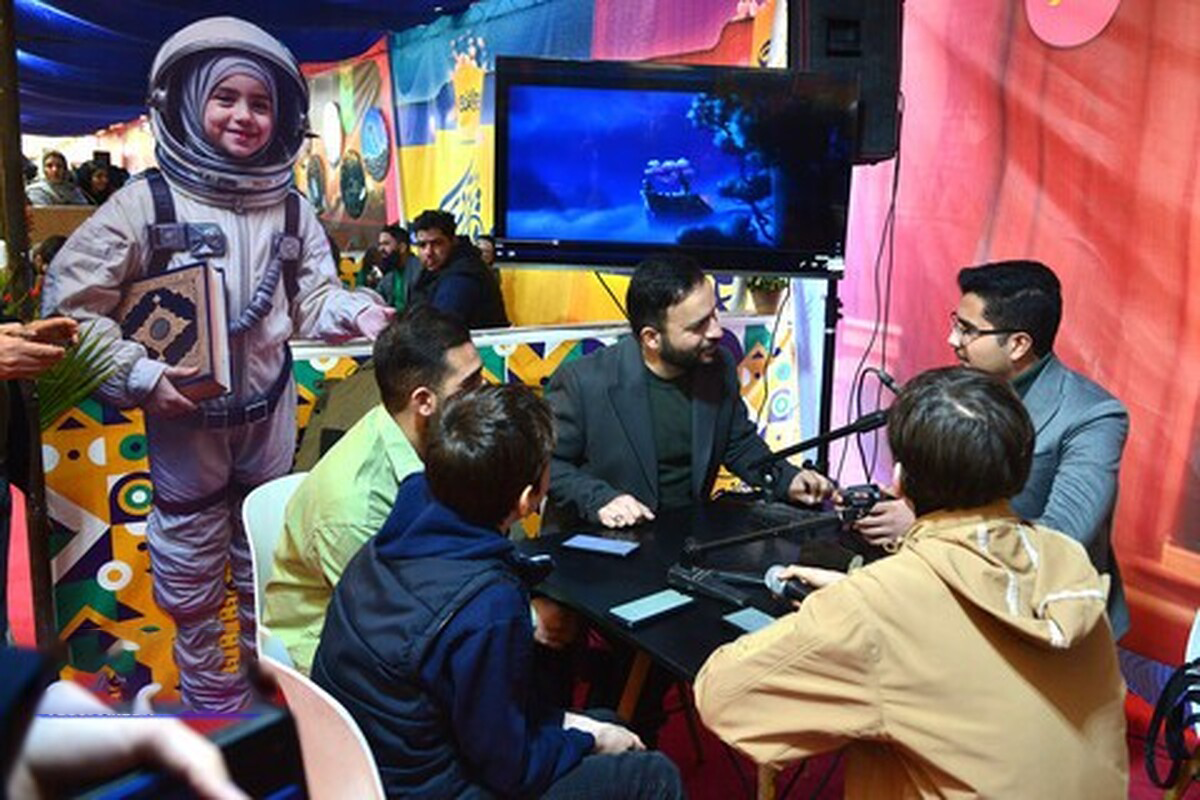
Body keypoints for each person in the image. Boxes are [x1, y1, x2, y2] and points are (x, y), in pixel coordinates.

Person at [42, 16, 393, 712]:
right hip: (186, 421)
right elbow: (71, 308)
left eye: (260, 103)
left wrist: (356, 313)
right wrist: (140, 375)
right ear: (186, 102)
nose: (244, 116)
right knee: (191, 567)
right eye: (224, 98)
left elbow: (312, 297)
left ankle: (271, 699)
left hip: (267, 414)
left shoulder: (290, 210)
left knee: (266, 557)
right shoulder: (145, 206)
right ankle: (210, 701)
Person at [695, 366, 1129, 798]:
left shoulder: (874, 604)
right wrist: (864, 592)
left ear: (899, 478)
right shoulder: (1067, 561)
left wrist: (852, 605)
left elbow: (723, 697)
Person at [313, 384, 683, 799]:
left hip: (362, 762)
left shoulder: (397, 528)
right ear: (527, 499)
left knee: (607, 721)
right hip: (427, 786)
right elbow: (511, 768)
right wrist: (588, 738)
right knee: (653, 775)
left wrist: (584, 728)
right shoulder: (489, 603)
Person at [852, 259, 1130, 637]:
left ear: (1018, 344)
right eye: (956, 323)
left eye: (967, 330)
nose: (952, 340)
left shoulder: (1093, 415)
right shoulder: (966, 390)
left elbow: (1063, 537)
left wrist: (928, 524)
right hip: (966, 597)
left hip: (1053, 620)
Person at [264, 306, 483, 673]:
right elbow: (395, 624)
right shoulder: (355, 507)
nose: (483, 394)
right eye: (469, 386)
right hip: (336, 662)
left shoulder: (418, 433)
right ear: (423, 402)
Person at [544, 255, 831, 532]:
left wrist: (787, 479)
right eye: (698, 326)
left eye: (714, 315)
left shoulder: (718, 366)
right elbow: (547, 464)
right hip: (603, 542)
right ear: (651, 338)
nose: (717, 332)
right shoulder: (581, 382)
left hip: (686, 538)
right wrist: (598, 499)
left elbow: (739, 444)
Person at [409, 209, 509, 329]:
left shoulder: (463, 275)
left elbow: (440, 329)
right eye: (422, 245)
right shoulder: (436, 269)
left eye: (437, 243)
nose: (428, 252)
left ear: (453, 241)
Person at [376, 223, 420, 312]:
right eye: (380, 244)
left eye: (386, 244)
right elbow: (377, 296)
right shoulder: (390, 275)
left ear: (402, 247)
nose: (380, 249)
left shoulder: (419, 271)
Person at [25, 151, 91, 206]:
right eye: (49, 166)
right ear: (44, 169)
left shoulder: (73, 190)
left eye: (59, 166)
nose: (55, 170)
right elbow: (43, 213)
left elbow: (84, 210)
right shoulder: (36, 190)